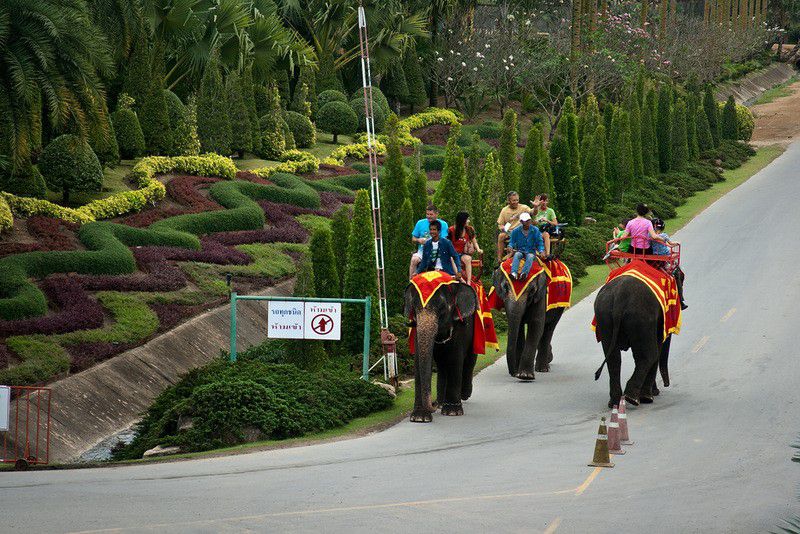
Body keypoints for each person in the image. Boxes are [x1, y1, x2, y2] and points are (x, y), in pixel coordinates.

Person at [652, 218, 688, 310]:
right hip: (664, 258)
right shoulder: (664, 235)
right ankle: (681, 301)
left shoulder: (648, 235)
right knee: (677, 272)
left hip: (651, 257)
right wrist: (677, 243)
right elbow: (671, 244)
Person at [410, 205, 449, 279]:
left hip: (438, 251)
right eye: (427, 214)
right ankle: (411, 283)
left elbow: (445, 241)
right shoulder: (420, 223)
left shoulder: (443, 224)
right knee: (414, 259)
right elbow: (413, 238)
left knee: (440, 267)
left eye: (431, 214)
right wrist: (419, 240)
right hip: (423, 250)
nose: (429, 216)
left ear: (436, 214)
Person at [496, 191, 531, 262]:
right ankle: (499, 259)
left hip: (521, 230)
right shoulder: (504, 210)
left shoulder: (523, 207)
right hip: (509, 231)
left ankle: (513, 253)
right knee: (501, 236)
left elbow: (532, 212)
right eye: (514, 200)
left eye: (517, 200)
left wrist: (536, 207)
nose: (516, 202)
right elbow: (500, 225)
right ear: (509, 201)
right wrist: (503, 228)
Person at [508, 212, 545, 280]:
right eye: (526, 220)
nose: (528, 222)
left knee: (530, 256)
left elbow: (539, 242)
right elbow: (512, 241)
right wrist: (510, 246)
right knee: (517, 255)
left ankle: (524, 274)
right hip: (520, 250)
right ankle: (514, 273)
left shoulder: (535, 230)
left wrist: (541, 251)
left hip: (531, 251)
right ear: (521, 221)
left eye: (529, 220)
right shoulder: (515, 231)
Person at [448, 211, 482, 283]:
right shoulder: (451, 230)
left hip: (462, 253)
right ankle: (461, 279)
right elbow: (448, 244)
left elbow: (474, 241)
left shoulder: (469, 229)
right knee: (452, 259)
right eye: (467, 219)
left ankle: (469, 282)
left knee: (468, 259)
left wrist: (478, 249)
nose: (468, 221)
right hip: (453, 254)